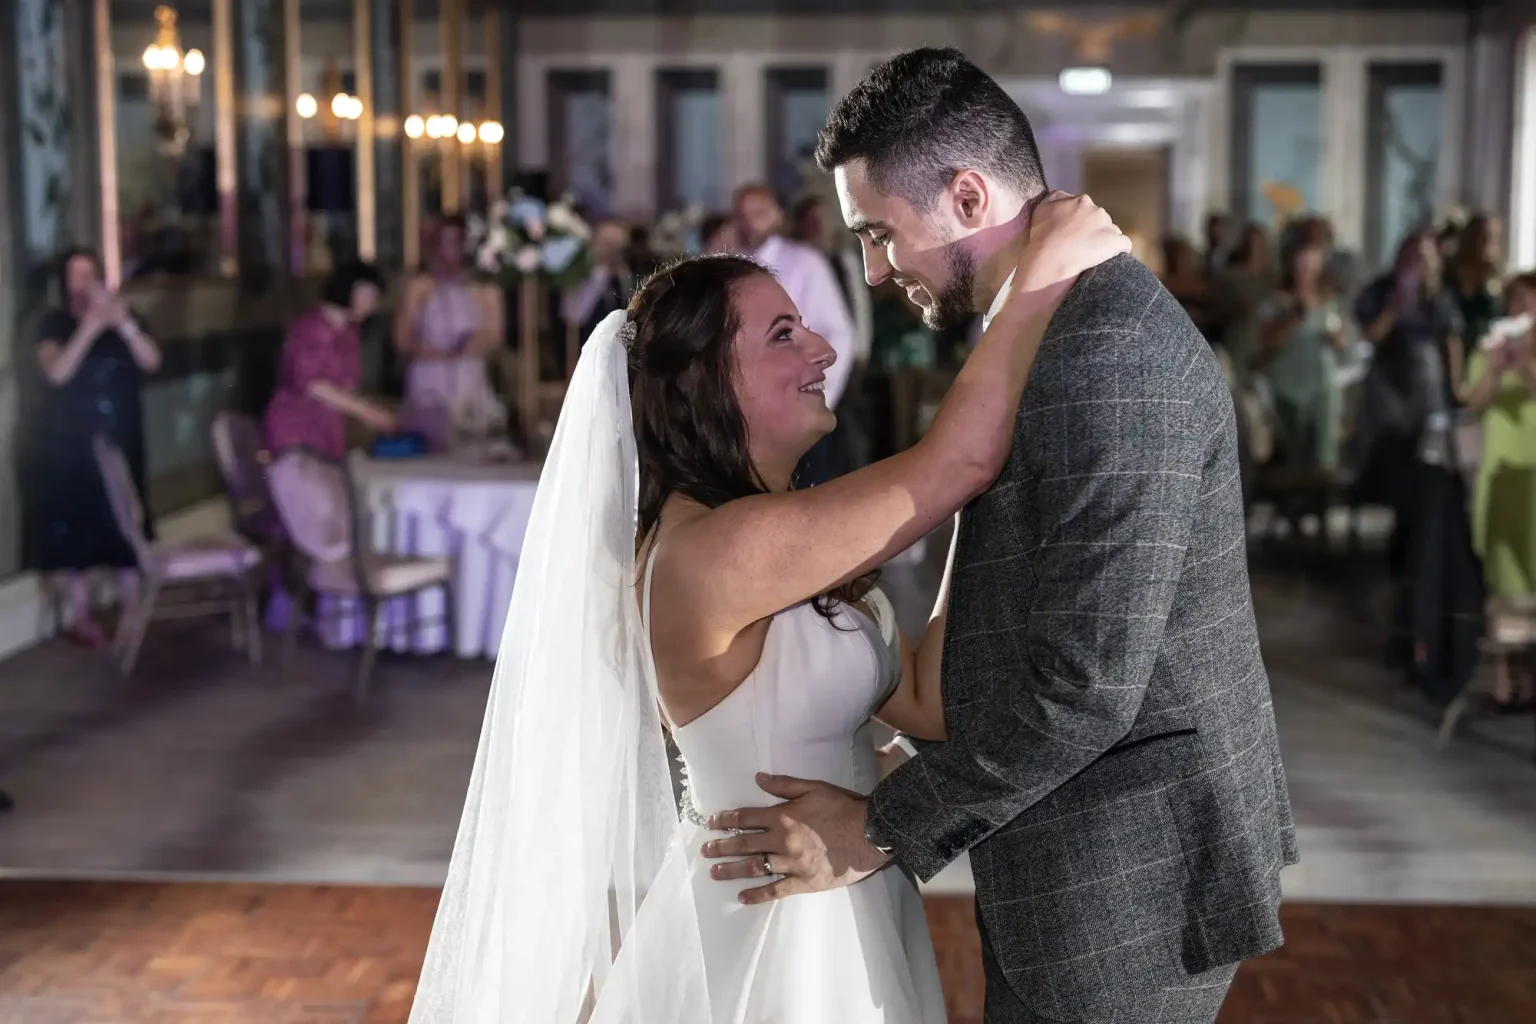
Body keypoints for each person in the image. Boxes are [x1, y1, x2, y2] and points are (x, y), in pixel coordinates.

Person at [407, 196, 1133, 1019]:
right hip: (769, 929)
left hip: (846, 895)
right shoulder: (708, 553)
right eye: (783, 335)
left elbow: (928, 700)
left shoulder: (779, 544)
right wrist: (1034, 282)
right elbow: (956, 459)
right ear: (704, 382)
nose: (822, 347)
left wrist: (973, 495)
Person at [704, 48, 1295, 1024]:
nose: (873, 271)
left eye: (880, 234)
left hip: (1124, 882)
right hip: (1079, 847)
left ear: (968, 196)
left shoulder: (1104, 354)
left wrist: (879, 827)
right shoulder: (1044, 327)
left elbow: (1089, 685)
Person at [1352, 233, 1479, 701]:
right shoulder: (1382, 291)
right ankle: (1401, 625)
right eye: (1414, 256)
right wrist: (1399, 298)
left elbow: (1453, 370)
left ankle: (1412, 630)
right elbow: (1370, 337)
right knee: (1400, 528)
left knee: (1423, 532)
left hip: (1427, 427)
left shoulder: (1442, 303)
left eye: (1428, 258)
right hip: (1389, 423)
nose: (1421, 265)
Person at [24, 247, 162, 648]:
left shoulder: (126, 316)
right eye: (76, 275)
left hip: (120, 432)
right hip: (71, 438)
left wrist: (123, 325)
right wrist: (89, 327)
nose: (85, 283)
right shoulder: (53, 323)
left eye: (91, 274)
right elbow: (58, 372)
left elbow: (152, 361)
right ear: (64, 284)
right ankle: (81, 614)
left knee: (127, 517)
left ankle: (135, 605)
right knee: (78, 527)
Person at [733, 183, 858, 486]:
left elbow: (840, 333)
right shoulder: (731, 265)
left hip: (798, 406)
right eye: (743, 215)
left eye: (759, 213)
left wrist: (820, 398)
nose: (751, 223)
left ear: (777, 216)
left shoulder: (805, 262)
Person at [1458, 271, 1536, 706]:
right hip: (1499, 474)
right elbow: (1472, 402)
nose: (1523, 309)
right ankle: (1505, 676)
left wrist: (1524, 363)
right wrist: (1494, 366)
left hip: (1532, 475)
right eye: (1518, 301)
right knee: (1504, 577)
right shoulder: (1490, 349)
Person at [264, 262, 395, 458]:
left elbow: (346, 385)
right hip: (297, 429)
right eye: (370, 296)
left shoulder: (349, 331)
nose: (373, 305)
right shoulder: (312, 328)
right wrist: (366, 411)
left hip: (328, 428)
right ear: (350, 290)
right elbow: (311, 384)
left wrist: (367, 410)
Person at [1253, 241, 1351, 470]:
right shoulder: (1277, 302)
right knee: (1291, 455)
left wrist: (1335, 337)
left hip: (1322, 388)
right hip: (1287, 388)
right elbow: (1266, 343)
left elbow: (1344, 342)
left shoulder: (1331, 302)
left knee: (1322, 453)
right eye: (1300, 265)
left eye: (1309, 266)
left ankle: (1321, 499)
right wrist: (1290, 318)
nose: (1304, 272)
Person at [395, 214, 504, 420]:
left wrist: (469, 347)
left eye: (457, 241)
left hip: (469, 374)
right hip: (429, 375)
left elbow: (494, 336)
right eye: (444, 241)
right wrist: (440, 353)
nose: (451, 249)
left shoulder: (484, 287)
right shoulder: (418, 286)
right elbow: (402, 339)